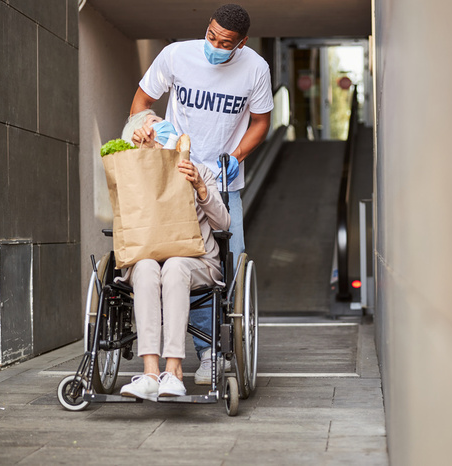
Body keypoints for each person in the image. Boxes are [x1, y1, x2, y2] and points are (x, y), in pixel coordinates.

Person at [128, 3, 273, 384]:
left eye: (224, 42)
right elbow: (141, 104)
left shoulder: (255, 69)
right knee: (171, 258)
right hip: (173, 173)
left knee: (224, 264)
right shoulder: (176, 55)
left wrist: (236, 156)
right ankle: (169, 355)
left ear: (240, 44)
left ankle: (211, 351)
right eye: (211, 35)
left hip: (221, 183)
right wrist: (146, 128)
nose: (214, 44)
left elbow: (261, 123)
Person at [118, 118, 231, 401]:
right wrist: (139, 155)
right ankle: (150, 373)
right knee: (144, 267)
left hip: (196, 262)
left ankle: (174, 370)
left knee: (175, 265)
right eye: (150, 123)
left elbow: (223, 222)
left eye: (158, 120)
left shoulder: (198, 169)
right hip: (147, 259)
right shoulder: (133, 171)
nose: (158, 124)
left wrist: (201, 187)